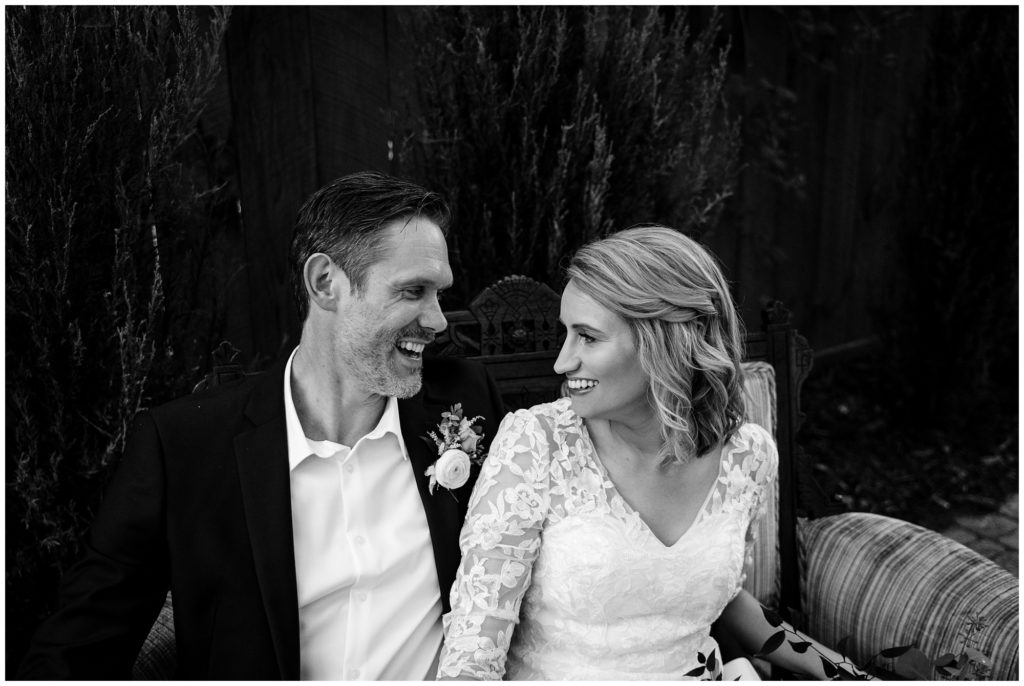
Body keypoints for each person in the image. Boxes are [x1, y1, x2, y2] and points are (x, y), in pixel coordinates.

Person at [18, 171, 506, 680]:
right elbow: (82, 644)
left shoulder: (468, 402)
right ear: (325, 283)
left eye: (439, 294)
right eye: (413, 292)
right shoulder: (184, 447)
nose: (438, 320)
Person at [436, 225, 866, 680]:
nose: (562, 363)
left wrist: (846, 673)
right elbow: (473, 654)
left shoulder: (748, 455)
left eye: (588, 336)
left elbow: (720, 600)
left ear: (664, 342)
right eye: (568, 334)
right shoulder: (537, 442)